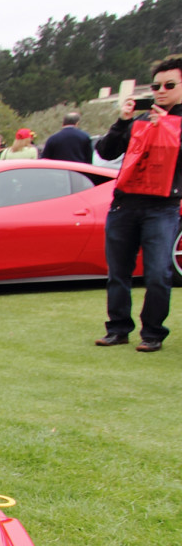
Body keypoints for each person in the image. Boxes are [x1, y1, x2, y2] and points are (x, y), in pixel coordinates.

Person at [92, 54, 182, 352]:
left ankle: (153, 332)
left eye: (169, 84)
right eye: (156, 86)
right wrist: (123, 120)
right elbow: (105, 151)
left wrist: (167, 126)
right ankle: (118, 328)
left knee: (158, 272)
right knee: (118, 272)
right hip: (125, 204)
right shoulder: (139, 121)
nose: (161, 91)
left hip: (162, 206)